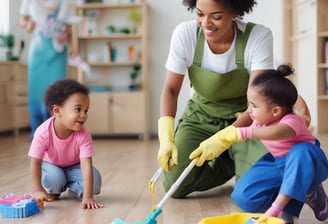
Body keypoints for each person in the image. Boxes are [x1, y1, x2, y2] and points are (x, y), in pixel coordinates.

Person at [157, 0, 275, 198]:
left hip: (247, 119)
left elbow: (259, 101)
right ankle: (230, 163)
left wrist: (226, 138)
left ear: (235, 12)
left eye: (216, 17)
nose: (206, 23)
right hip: (201, 117)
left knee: (255, 192)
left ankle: (239, 157)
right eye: (200, 14)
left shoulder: (258, 37)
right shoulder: (186, 34)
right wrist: (166, 136)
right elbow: (170, 89)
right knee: (174, 186)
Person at [190, 64, 328, 223]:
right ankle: (283, 210)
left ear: (276, 111)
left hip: (308, 162)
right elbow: (247, 129)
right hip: (279, 162)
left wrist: (242, 133)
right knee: (242, 195)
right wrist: (219, 141)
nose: (249, 111)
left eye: (254, 106)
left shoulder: (292, 121)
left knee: (300, 152)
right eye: (249, 104)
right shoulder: (260, 122)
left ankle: (304, 196)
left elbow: (276, 132)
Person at [28, 79, 104, 209]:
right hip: (51, 165)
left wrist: (88, 197)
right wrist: (37, 190)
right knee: (56, 177)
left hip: (73, 166)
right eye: (78, 109)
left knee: (95, 180)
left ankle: (74, 189)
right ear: (57, 111)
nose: (83, 115)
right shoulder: (42, 132)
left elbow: (86, 165)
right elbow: (35, 163)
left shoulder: (83, 134)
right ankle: (55, 190)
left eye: (86, 110)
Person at [19, 0, 76, 136]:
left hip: (58, 52)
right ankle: (38, 136)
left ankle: (55, 135)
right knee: (36, 91)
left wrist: (72, 47)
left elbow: (69, 26)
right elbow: (23, 20)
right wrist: (28, 25)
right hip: (38, 51)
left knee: (56, 91)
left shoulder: (65, 2)